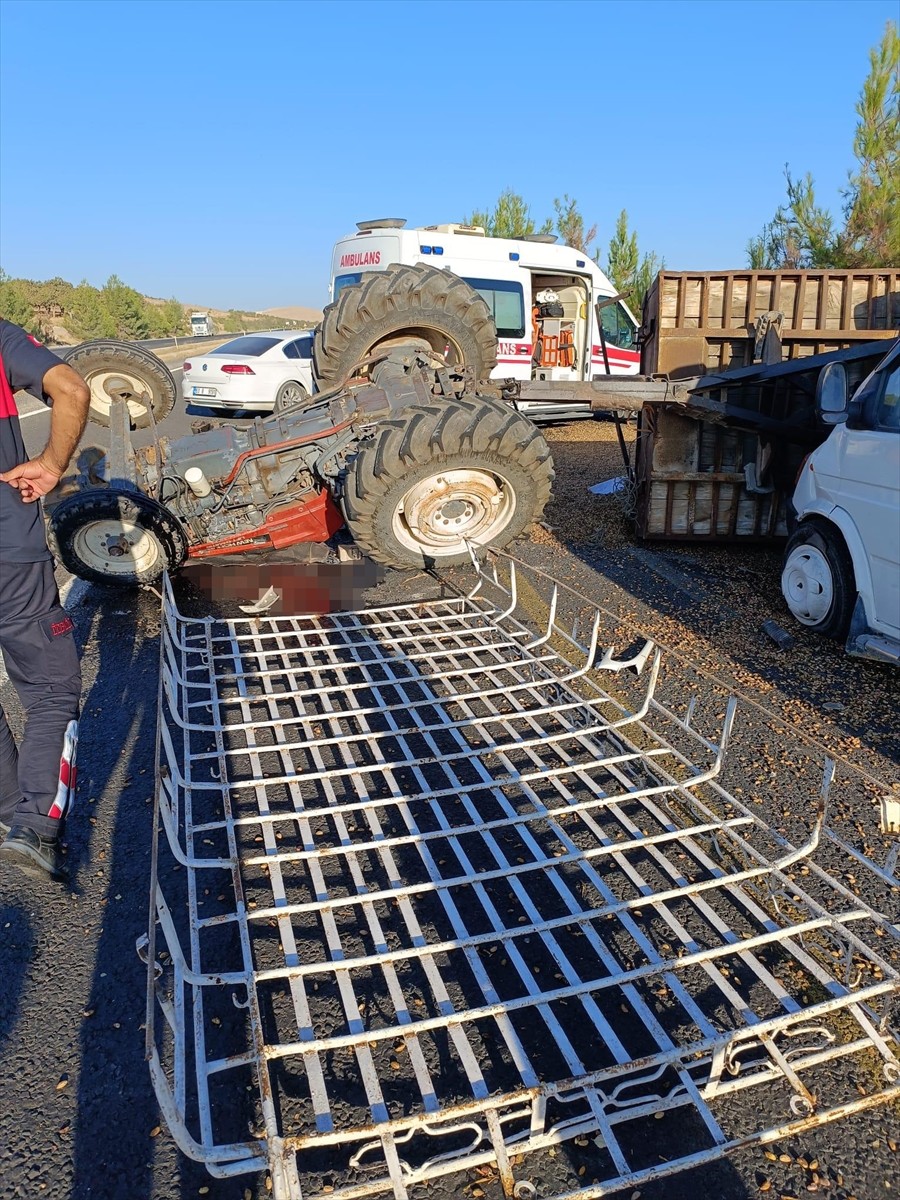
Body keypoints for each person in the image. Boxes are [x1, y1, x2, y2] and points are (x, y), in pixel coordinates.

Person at [0, 318, 91, 883]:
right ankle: (33, 825)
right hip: (9, 552)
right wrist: (53, 464)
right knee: (52, 685)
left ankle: (14, 815)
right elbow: (73, 389)